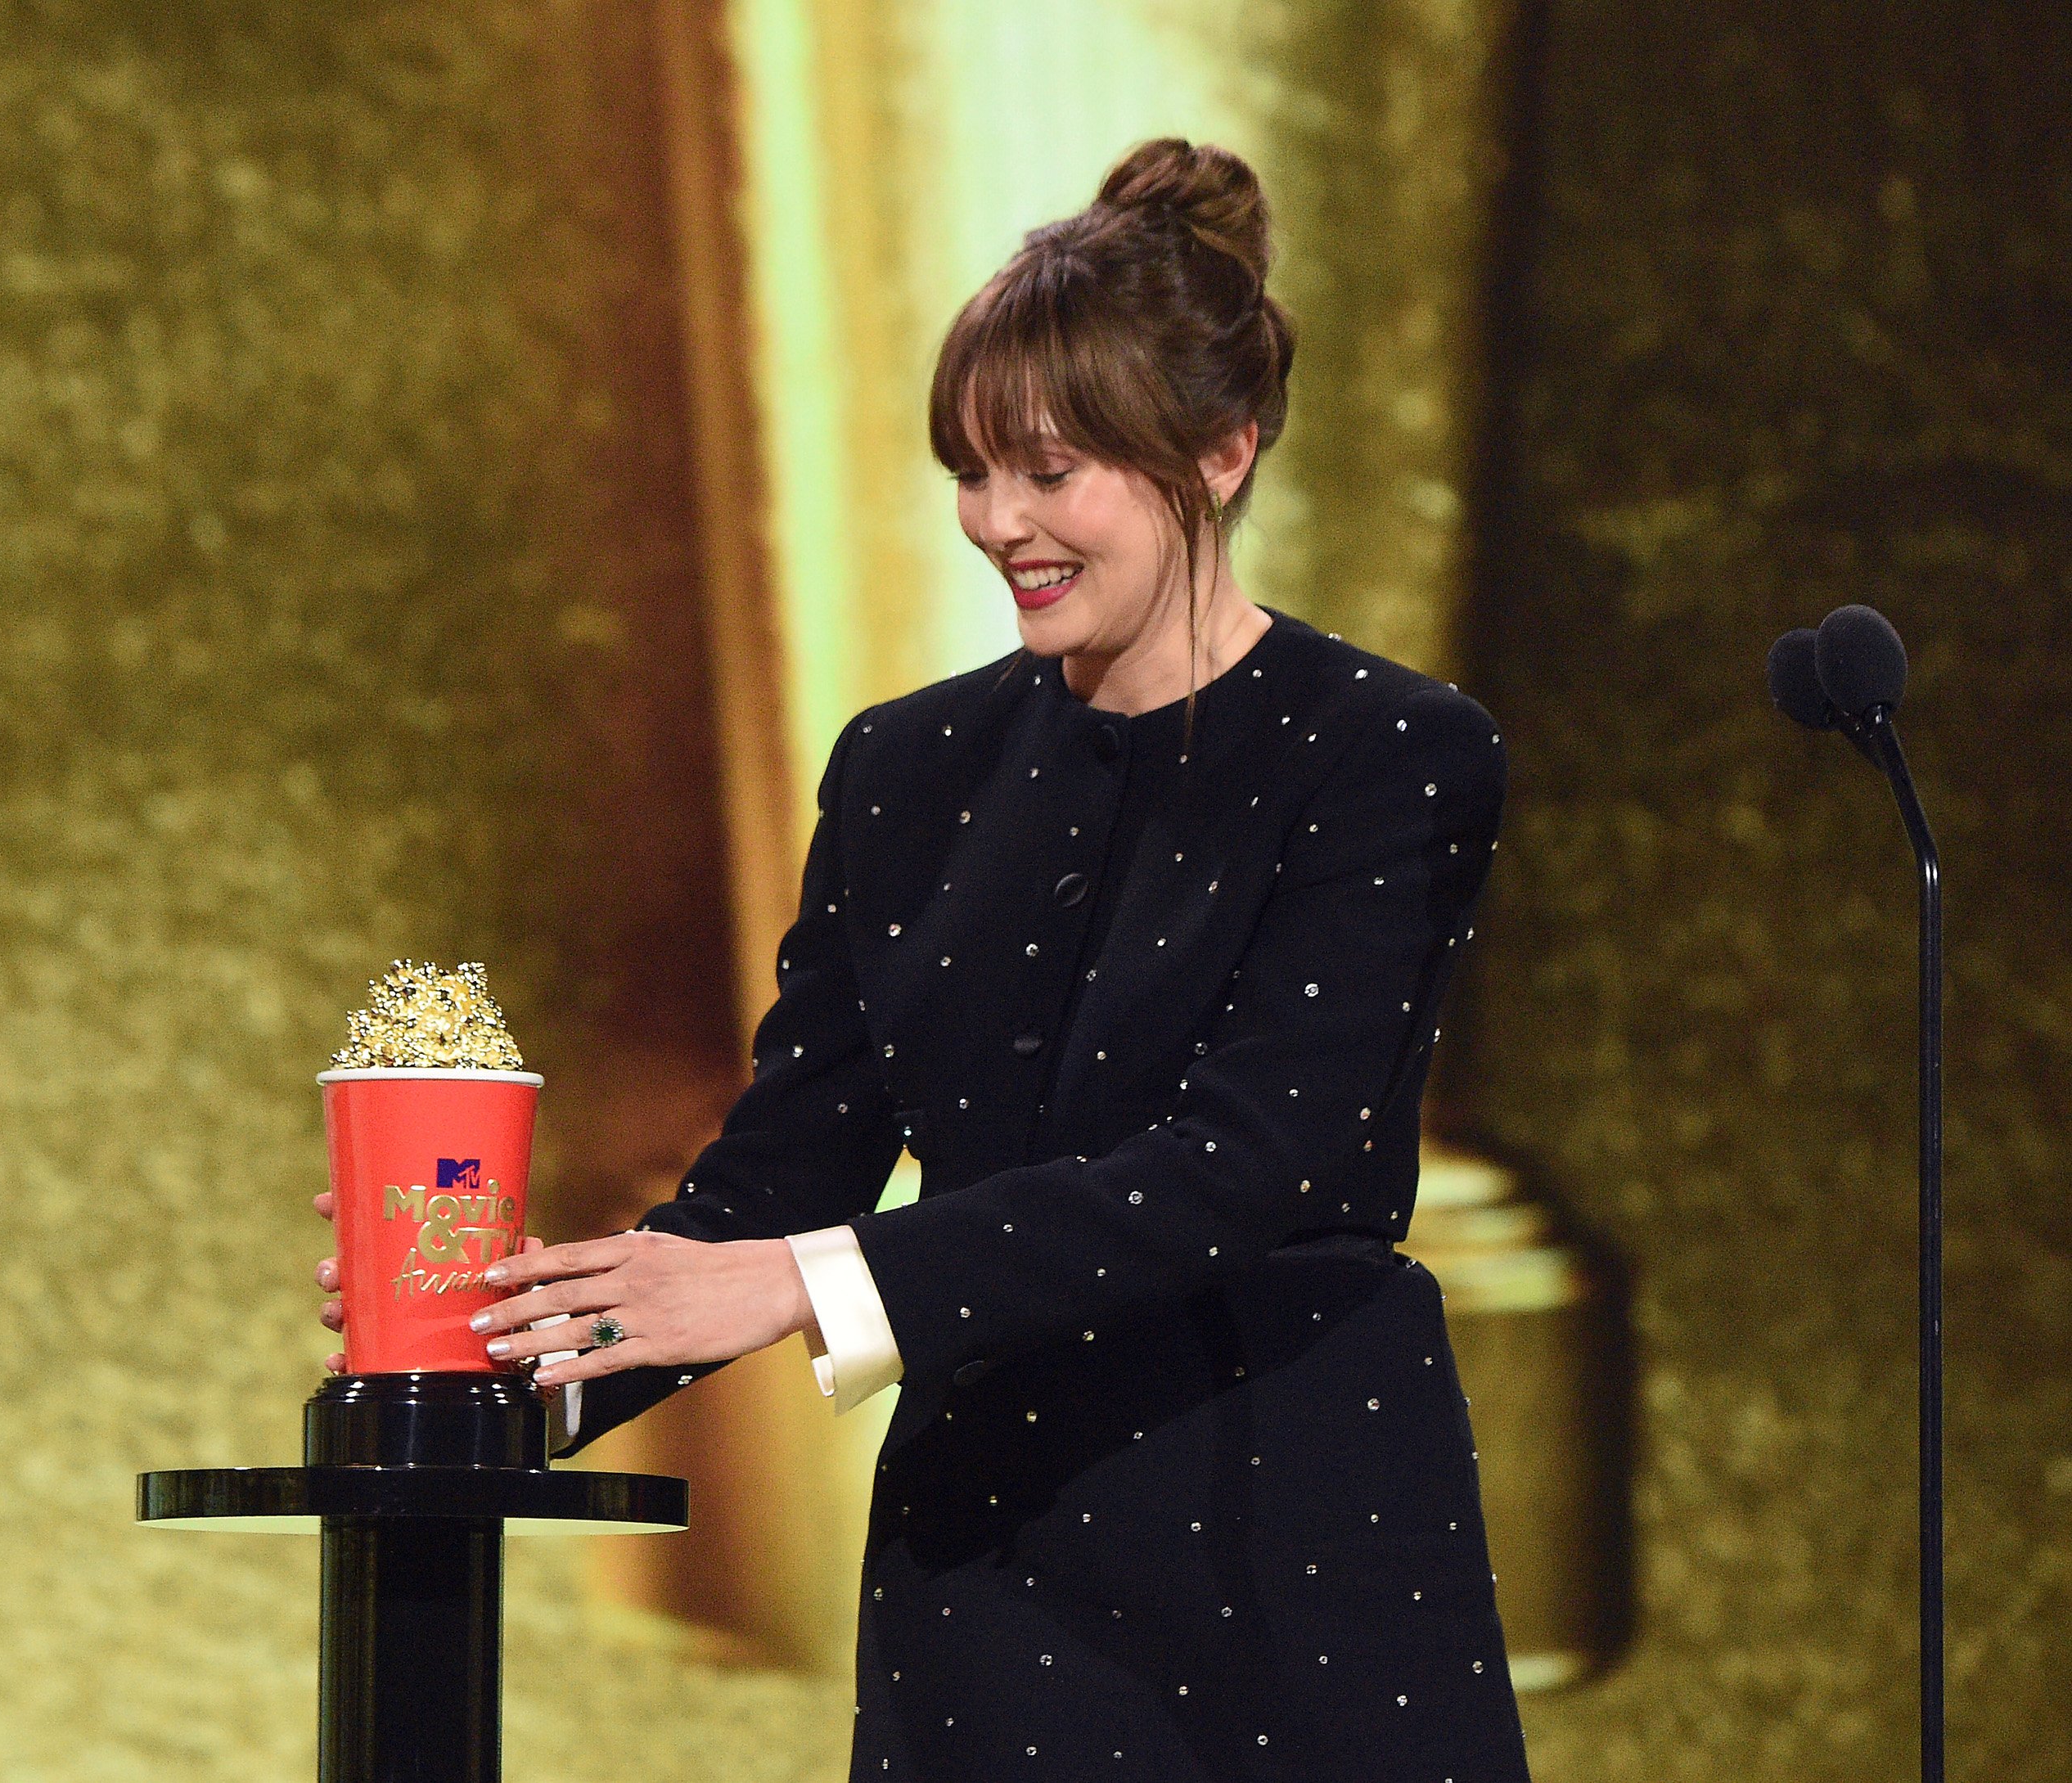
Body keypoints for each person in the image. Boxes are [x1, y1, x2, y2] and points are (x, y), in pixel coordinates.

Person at [317, 137, 1532, 1782]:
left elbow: (1260, 1159)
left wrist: (825, 1281)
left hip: (1294, 1568)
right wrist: (485, 1342)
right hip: (998, 1579)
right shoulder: (908, 769)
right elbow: (773, 1182)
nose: (997, 522)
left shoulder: (1389, 751)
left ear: (1225, 452)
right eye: (971, 470)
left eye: (1050, 471)